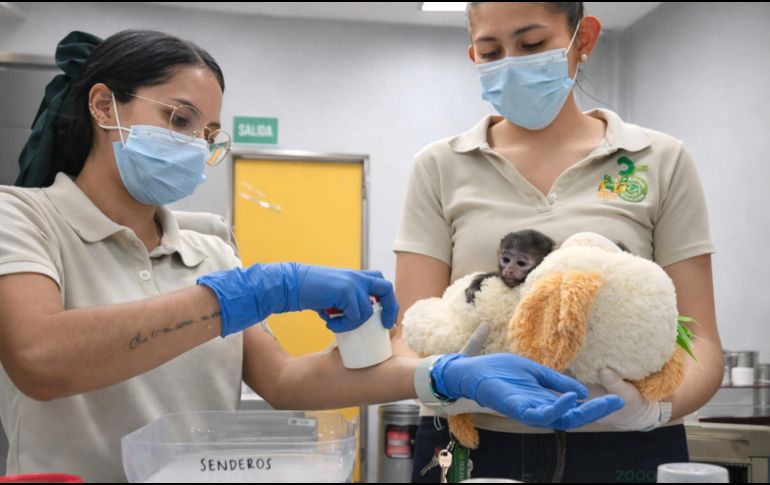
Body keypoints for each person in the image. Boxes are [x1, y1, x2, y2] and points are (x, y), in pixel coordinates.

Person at [0, 30, 622, 482]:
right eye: (180, 119)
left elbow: (283, 381)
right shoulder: (22, 218)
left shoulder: (209, 246)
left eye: (209, 134)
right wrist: (254, 291)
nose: (195, 144)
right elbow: (40, 359)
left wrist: (436, 377)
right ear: (105, 105)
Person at [391, 2, 724, 483]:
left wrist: (650, 410)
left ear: (582, 40)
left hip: (623, 442)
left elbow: (703, 343)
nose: (511, 61)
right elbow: (408, 332)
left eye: (531, 45)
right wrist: (451, 382)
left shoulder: (659, 159)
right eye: (491, 52)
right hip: (473, 440)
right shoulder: (440, 165)